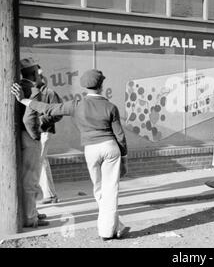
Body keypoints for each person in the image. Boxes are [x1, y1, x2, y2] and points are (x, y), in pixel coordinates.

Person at [12, 69, 129, 241]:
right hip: (110, 148)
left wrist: (23, 99)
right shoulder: (111, 107)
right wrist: (124, 159)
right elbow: (120, 136)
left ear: (85, 86)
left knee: (99, 191)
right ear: (101, 86)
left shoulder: (76, 105)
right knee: (110, 190)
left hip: (91, 150)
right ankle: (107, 231)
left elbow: (48, 109)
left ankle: (116, 226)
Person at [18, 58, 49, 228]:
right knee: (31, 180)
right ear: (34, 72)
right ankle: (30, 218)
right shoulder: (32, 89)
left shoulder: (21, 86)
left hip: (23, 137)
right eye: (38, 71)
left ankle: (32, 212)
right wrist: (36, 136)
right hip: (29, 138)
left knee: (29, 179)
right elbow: (29, 118)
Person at [36, 65, 63, 204]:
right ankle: (50, 195)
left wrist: (41, 120)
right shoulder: (28, 91)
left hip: (44, 132)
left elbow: (58, 113)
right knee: (41, 161)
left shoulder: (50, 93)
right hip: (33, 133)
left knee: (39, 162)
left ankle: (50, 195)